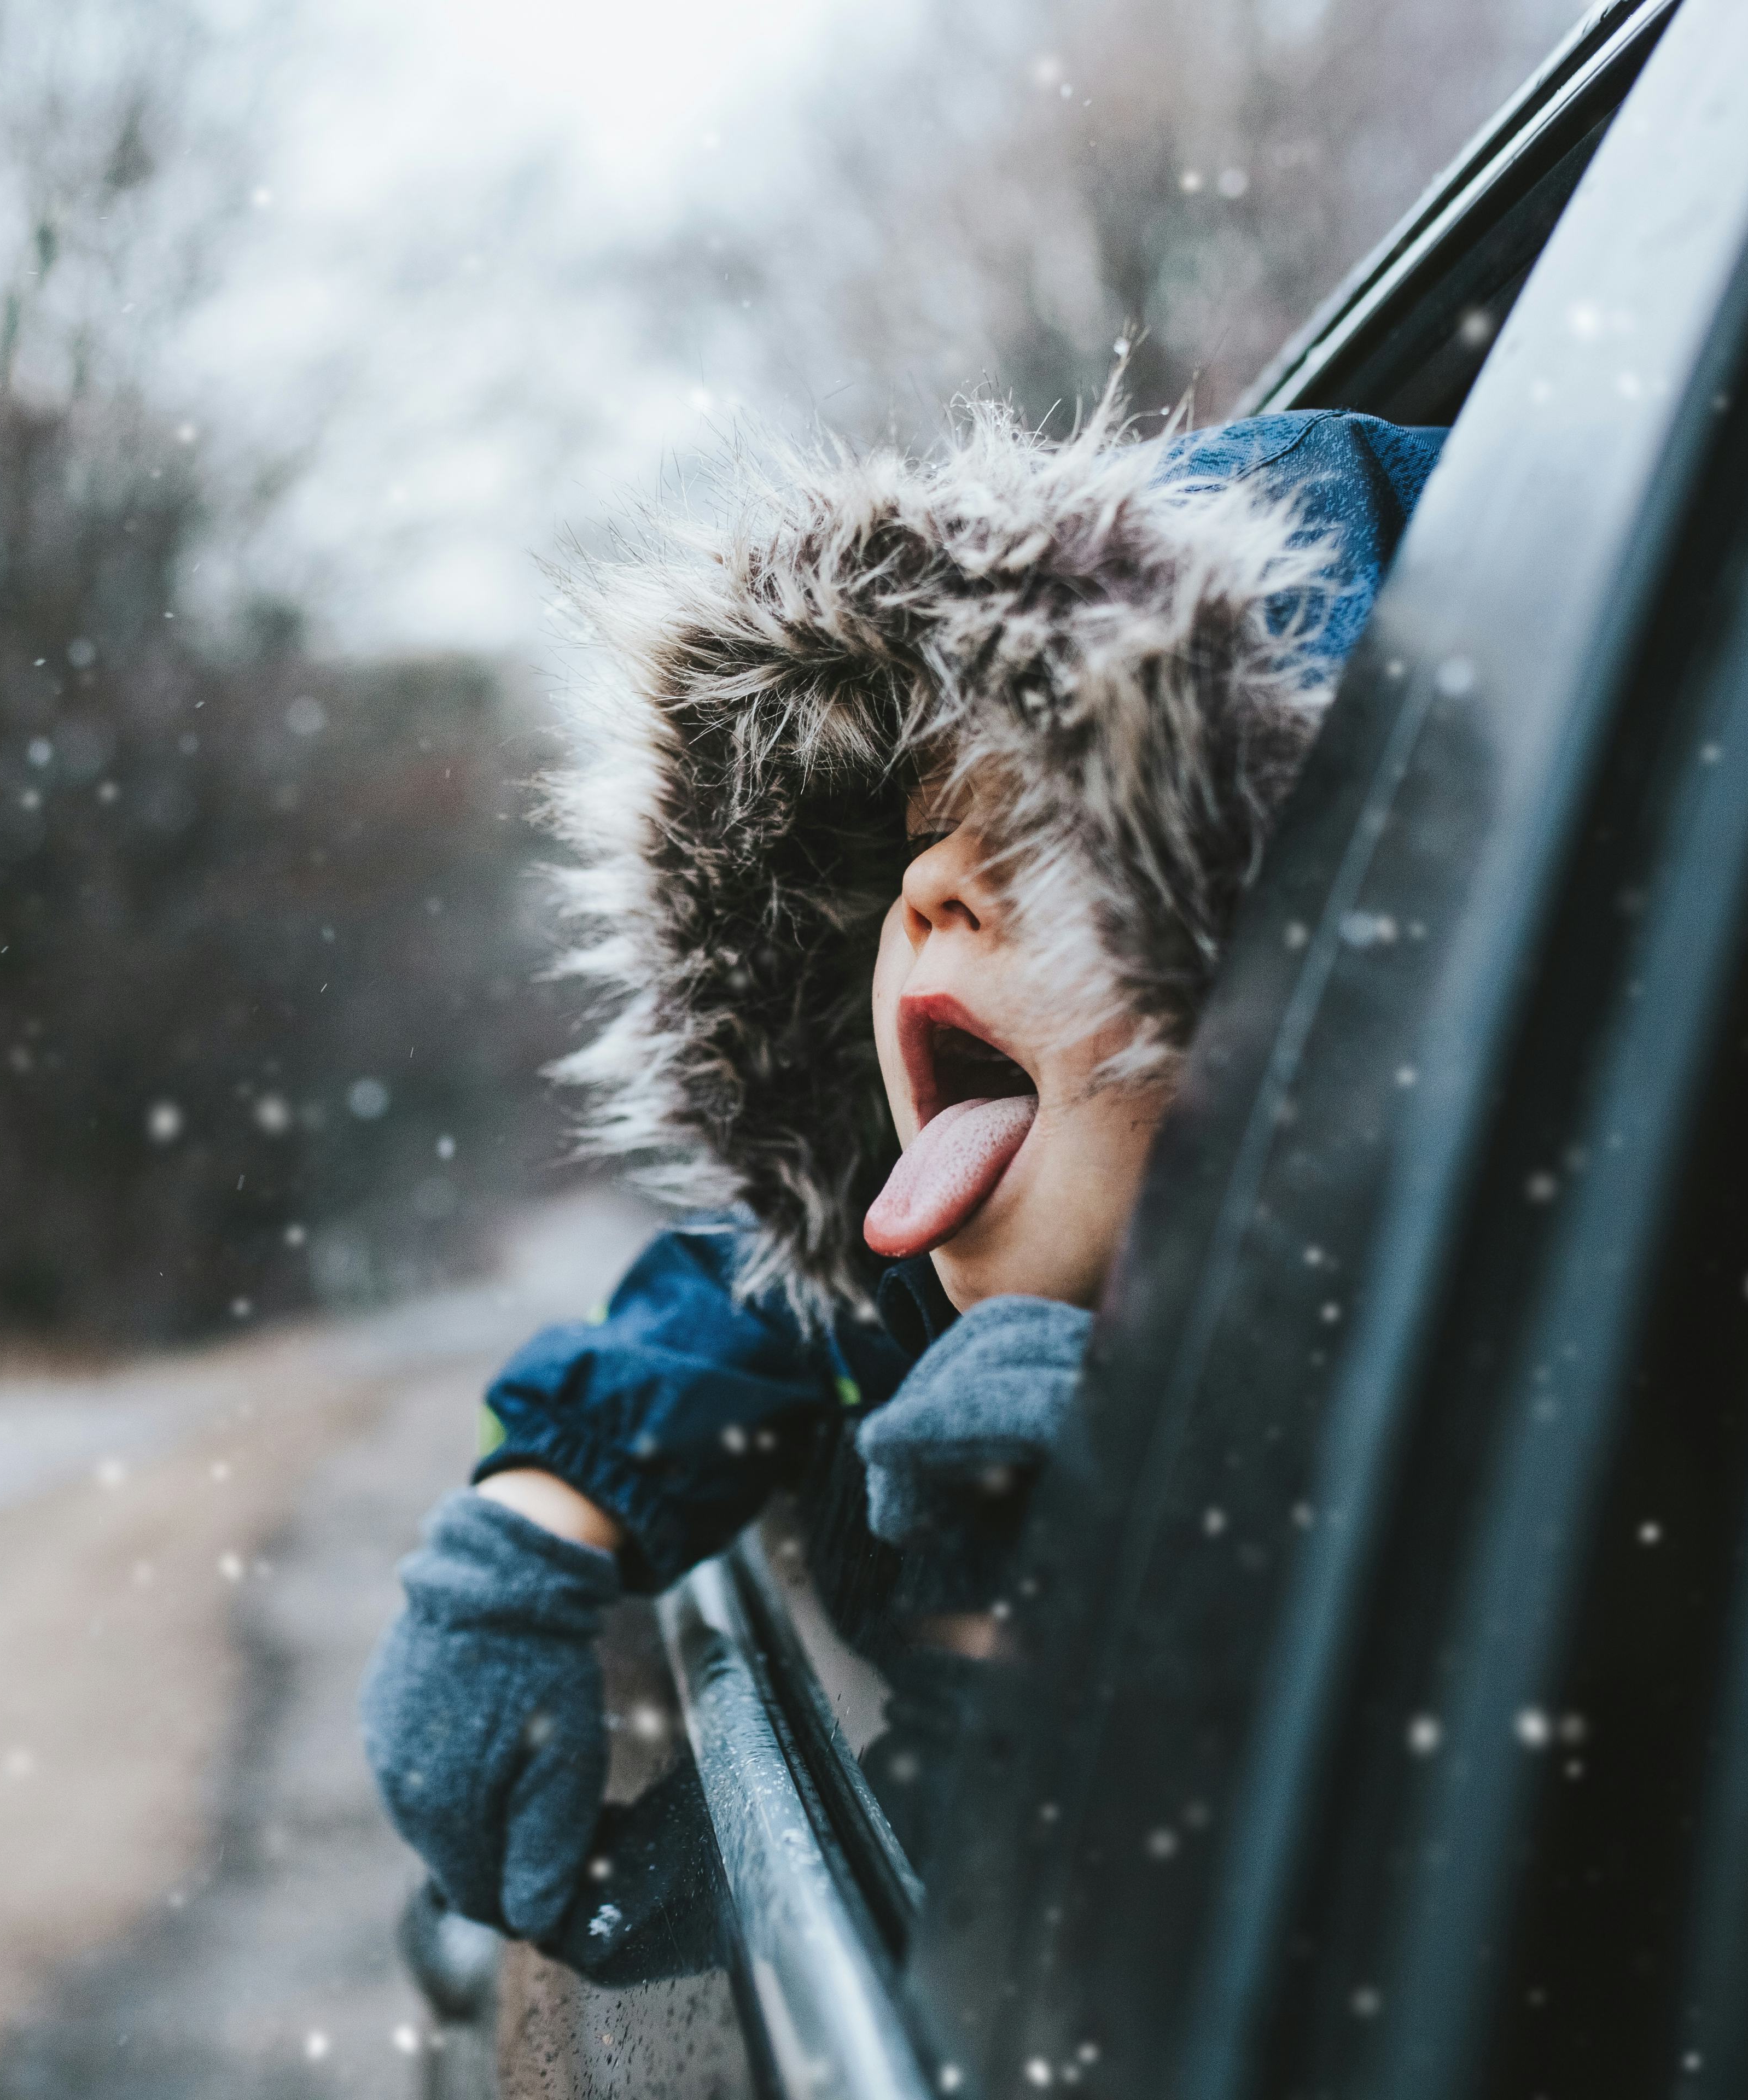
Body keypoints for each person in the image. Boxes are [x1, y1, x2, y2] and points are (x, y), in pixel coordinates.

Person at [360, 402, 1444, 1971]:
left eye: (1064, 834)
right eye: (928, 829)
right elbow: (769, 1292)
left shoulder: (1487, 1419)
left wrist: (1050, 1586)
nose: (929, 885)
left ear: (1326, 973)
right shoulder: (905, 1278)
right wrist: (537, 1513)